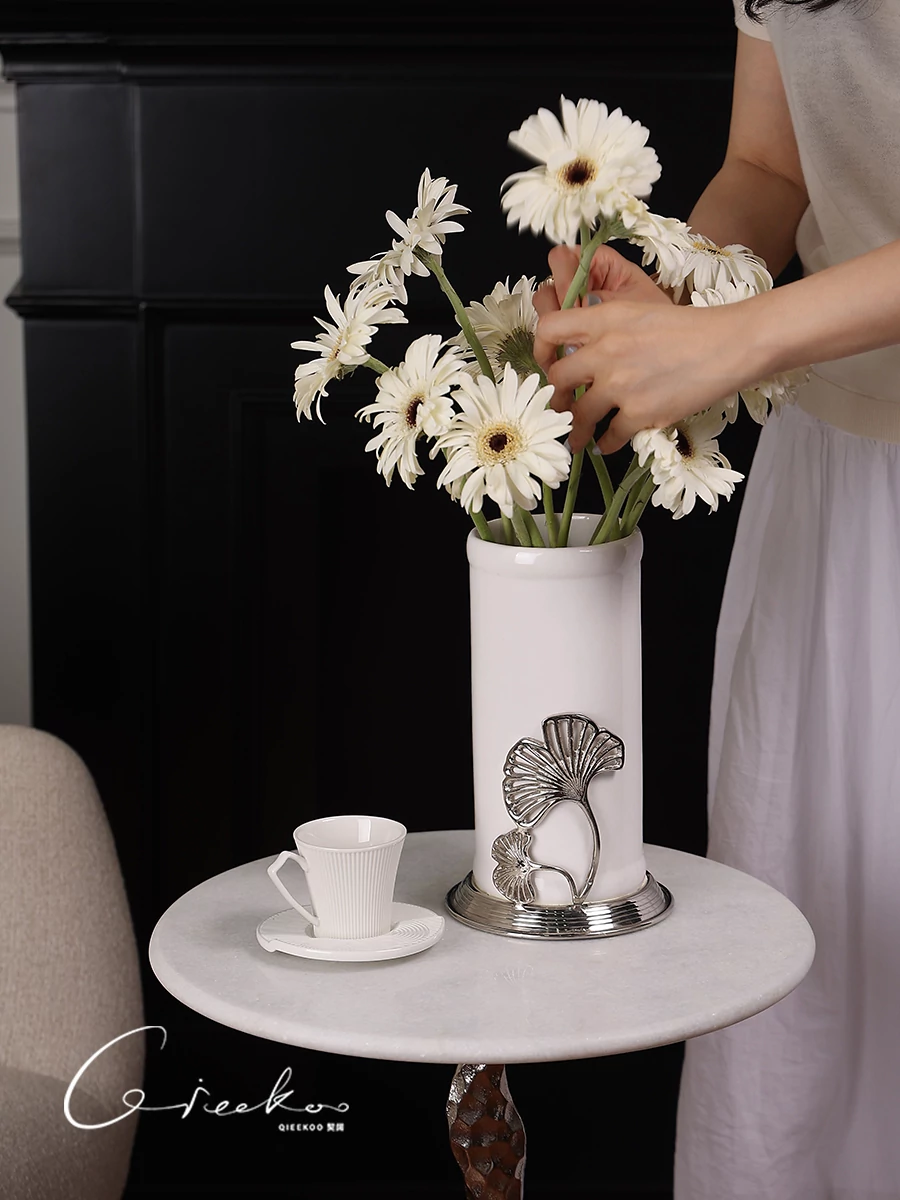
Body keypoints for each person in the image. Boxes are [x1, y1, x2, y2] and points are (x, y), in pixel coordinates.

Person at [532, 1, 900, 1197]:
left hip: (810, 388)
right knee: (818, 972)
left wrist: (739, 339)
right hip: (838, 482)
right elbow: (769, 163)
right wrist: (676, 298)